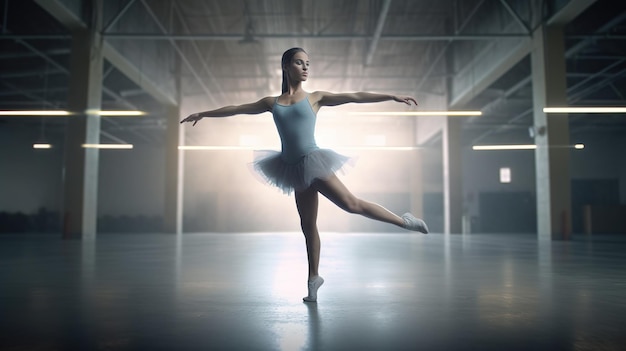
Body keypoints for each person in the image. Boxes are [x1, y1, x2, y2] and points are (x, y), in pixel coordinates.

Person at [180, 47, 428, 302]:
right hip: (291, 167)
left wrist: (391, 96)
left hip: (313, 162)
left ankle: (405, 221)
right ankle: (313, 279)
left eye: (308, 63)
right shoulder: (271, 103)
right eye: (300, 63)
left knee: (352, 204)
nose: (306, 67)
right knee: (307, 225)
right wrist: (204, 113)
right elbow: (236, 108)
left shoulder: (315, 98)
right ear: (286, 66)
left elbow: (353, 96)